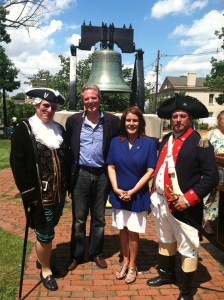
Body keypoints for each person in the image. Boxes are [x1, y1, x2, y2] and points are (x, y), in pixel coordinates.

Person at [146, 95, 219, 300]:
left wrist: (189, 198)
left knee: (188, 246)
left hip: (184, 205)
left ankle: (186, 291)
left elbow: (210, 176)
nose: (177, 120)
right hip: (161, 202)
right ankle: (166, 275)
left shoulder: (199, 142)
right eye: (175, 116)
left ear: (190, 119)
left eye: (182, 116)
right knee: (165, 239)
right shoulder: (167, 139)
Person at [10, 87, 68, 291]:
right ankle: (46, 270)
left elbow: (65, 159)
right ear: (37, 105)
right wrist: (28, 194)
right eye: (45, 106)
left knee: (49, 230)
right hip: (40, 195)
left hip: (59, 193)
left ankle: (45, 260)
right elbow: (18, 164)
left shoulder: (59, 129)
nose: (49, 110)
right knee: (44, 233)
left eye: (53, 107)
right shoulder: (25, 129)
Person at [66, 84, 120, 271]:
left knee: (98, 218)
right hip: (80, 174)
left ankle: (96, 253)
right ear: (83, 101)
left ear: (99, 99)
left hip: (102, 174)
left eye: (93, 98)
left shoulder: (112, 121)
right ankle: (76, 254)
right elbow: (67, 148)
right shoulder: (73, 121)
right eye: (87, 99)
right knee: (79, 219)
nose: (90, 102)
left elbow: (123, 141)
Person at [106, 106, 157, 284]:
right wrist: (116, 188)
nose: (131, 123)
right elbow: (111, 166)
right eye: (128, 120)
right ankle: (125, 260)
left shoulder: (149, 143)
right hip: (119, 193)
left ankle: (133, 265)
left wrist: (133, 191)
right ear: (123, 122)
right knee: (122, 229)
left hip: (137, 195)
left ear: (140, 123)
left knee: (134, 232)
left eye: (135, 120)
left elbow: (151, 170)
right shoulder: (115, 142)